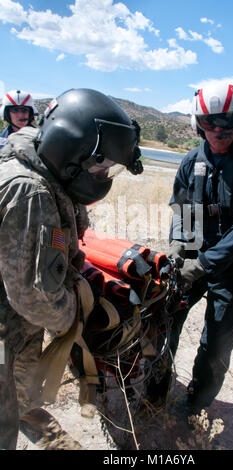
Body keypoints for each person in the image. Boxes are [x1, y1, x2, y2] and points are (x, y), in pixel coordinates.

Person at [0, 88, 143, 450]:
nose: (103, 174)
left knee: (19, 397)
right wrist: (75, 315)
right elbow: (35, 297)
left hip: (14, 323)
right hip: (8, 323)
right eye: (100, 165)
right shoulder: (30, 193)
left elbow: (66, 236)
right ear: (70, 152)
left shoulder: (45, 167)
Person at [145, 83, 233, 412]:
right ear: (197, 123)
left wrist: (202, 264)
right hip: (190, 258)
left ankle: (193, 406)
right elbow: (182, 208)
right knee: (164, 322)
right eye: (209, 123)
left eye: (227, 122)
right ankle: (153, 393)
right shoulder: (191, 160)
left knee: (216, 343)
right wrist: (177, 247)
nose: (218, 130)